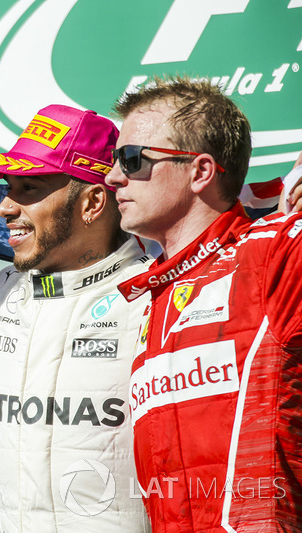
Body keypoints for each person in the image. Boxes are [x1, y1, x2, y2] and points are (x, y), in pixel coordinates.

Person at [106, 75, 302, 532]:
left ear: (200, 171)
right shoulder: (153, 296)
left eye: (132, 160)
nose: (114, 176)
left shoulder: (272, 252)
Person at [0, 105, 152, 532]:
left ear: (93, 201)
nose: (5, 208)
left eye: (29, 188)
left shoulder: (155, 298)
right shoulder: (1, 293)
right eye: (8, 188)